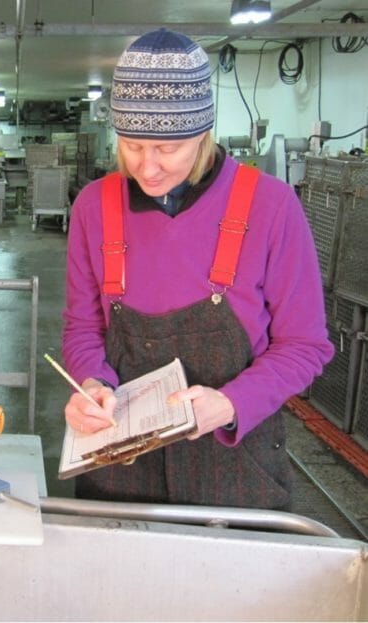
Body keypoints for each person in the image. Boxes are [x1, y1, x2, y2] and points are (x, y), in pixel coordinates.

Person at [61, 28, 334, 510]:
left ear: (203, 131)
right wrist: (91, 384)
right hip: (123, 465)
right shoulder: (94, 207)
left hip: (237, 462)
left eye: (168, 148)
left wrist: (232, 404)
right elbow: (84, 327)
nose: (147, 169)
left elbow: (305, 344)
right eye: (131, 145)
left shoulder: (269, 205)